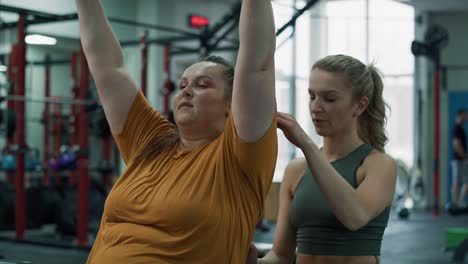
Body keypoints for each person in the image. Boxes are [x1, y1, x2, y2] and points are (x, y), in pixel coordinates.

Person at [76, 0, 277, 263]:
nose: (187, 91)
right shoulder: (150, 143)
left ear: (231, 106)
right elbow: (107, 67)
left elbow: (257, 66)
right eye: (182, 85)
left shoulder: (239, 159)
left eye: (202, 85)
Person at [249, 54, 397, 264]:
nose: (316, 107)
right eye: (312, 96)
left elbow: (355, 217)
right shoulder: (296, 170)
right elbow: (281, 255)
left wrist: (305, 144)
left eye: (329, 98)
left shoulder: (379, 165)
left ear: (360, 105)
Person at [451, 109, 468, 208]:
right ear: (460, 115)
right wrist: (465, 156)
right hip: (458, 160)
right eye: (465, 115)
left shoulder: (460, 129)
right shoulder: (457, 129)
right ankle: (455, 203)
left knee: (465, 182)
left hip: (461, 160)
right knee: (456, 182)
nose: (466, 117)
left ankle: (459, 202)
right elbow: (456, 145)